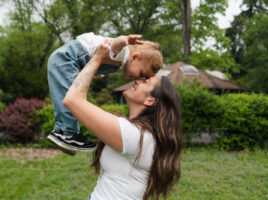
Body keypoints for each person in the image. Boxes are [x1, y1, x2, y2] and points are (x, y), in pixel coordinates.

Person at [63, 39, 182, 200]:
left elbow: (73, 100)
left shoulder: (135, 136)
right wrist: (88, 72)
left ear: (150, 101)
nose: (137, 80)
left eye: (145, 80)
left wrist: (97, 59)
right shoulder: (139, 134)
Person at [47, 32, 163, 154]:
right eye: (141, 74)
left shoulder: (120, 62)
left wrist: (89, 73)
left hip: (70, 62)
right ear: (135, 57)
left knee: (67, 95)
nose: (137, 79)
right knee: (69, 97)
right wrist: (124, 40)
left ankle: (63, 132)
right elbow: (115, 44)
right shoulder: (123, 52)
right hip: (67, 58)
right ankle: (67, 133)